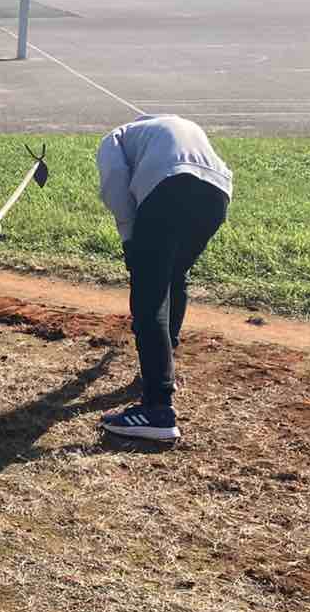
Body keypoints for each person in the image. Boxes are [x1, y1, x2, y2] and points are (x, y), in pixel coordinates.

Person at [96, 115, 232, 441]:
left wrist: (130, 240)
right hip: (218, 194)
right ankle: (163, 365)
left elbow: (115, 183)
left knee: (149, 297)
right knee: (174, 276)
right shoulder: (176, 124)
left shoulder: (116, 136)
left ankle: (158, 409)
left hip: (169, 188)